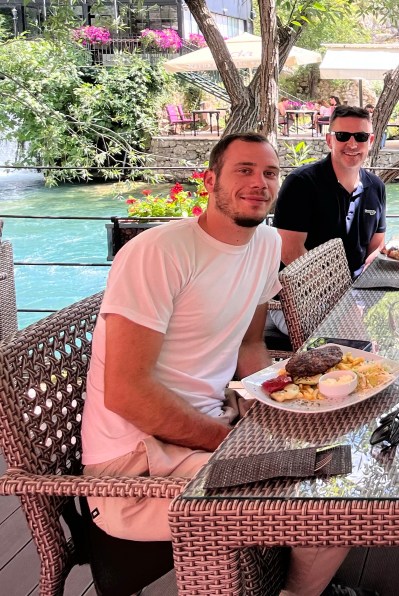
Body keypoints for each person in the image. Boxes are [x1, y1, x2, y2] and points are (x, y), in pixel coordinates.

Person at [80, 133, 357, 596]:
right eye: (244, 170)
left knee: (344, 454)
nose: (259, 183)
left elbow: (250, 344)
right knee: (332, 503)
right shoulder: (159, 253)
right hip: (137, 469)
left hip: (213, 423)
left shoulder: (265, 244)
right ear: (210, 181)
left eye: (270, 173)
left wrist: (279, 409)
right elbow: (127, 392)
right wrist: (233, 443)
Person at [274, 105, 386, 279]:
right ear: (329, 140)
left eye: (361, 136)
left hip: (360, 284)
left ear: (370, 141)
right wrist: (335, 287)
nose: (352, 144)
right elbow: (290, 250)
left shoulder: (377, 186)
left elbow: (377, 245)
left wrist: (368, 278)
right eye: (342, 136)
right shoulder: (301, 183)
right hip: (309, 286)